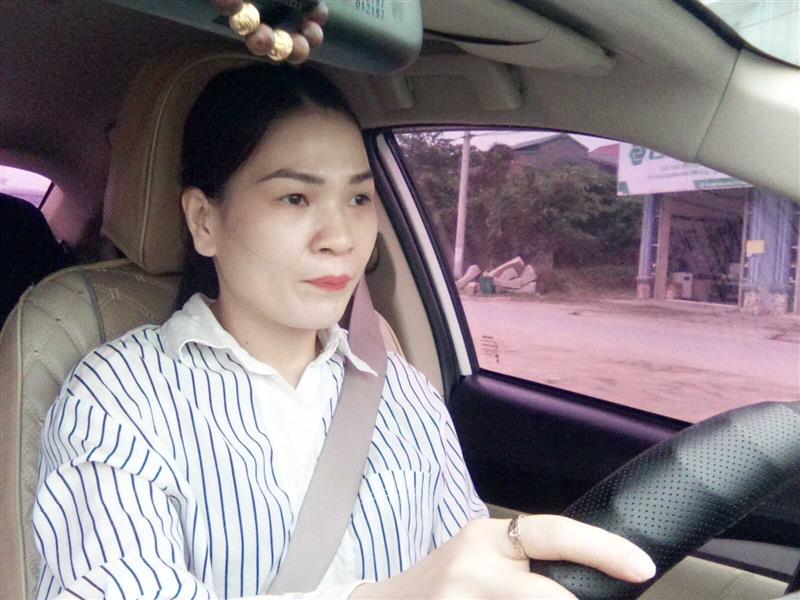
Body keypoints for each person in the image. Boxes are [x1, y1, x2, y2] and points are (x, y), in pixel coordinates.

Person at [32, 64, 656, 599]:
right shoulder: (121, 395)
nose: (341, 237)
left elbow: (463, 562)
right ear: (204, 221)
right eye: (295, 199)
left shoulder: (400, 389)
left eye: (358, 199)